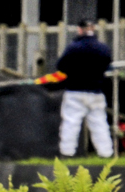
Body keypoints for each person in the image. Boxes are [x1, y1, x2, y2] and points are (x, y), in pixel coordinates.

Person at [36, 20, 113, 158]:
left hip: (75, 90)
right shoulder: (103, 48)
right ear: (93, 29)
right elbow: (108, 66)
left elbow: (61, 66)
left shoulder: (73, 48)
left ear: (80, 29)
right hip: (96, 92)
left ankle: (67, 152)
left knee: (71, 122)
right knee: (99, 123)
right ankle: (106, 153)